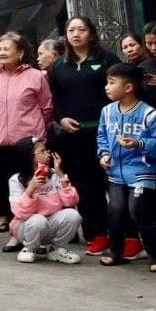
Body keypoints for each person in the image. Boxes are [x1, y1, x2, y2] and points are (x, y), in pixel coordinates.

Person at [47, 16, 120, 257]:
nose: (76, 34)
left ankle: (125, 235)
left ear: (91, 33)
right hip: (74, 136)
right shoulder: (59, 66)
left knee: (113, 185)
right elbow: (55, 100)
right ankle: (96, 234)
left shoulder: (107, 60)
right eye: (71, 30)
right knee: (85, 188)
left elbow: (121, 92)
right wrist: (61, 119)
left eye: (81, 29)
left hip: (106, 134)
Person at [0, 31, 52, 249]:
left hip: (26, 143)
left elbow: (46, 108)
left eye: (6, 49)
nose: (1, 53)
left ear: (20, 53)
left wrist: (38, 138)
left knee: (28, 187)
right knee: (5, 188)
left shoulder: (35, 76)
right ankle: (15, 233)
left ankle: (37, 233)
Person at [96, 63, 156, 270]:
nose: (106, 87)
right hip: (115, 172)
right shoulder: (107, 112)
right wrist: (104, 155)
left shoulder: (149, 114)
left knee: (138, 210)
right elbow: (102, 137)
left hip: (142, 172)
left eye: (111, 82)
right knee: (115, 211)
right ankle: (115, 251)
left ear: (129, 87)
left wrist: (138, 143)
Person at [9, 137, 82, 265]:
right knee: (38, 220)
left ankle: (56, 249)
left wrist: (60, 174)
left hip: (50, 224)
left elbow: (71, 201)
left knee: (73, 215)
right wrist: (30, 189)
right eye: (42, 151)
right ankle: (29, 248)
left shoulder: (53, 174)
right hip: (26, 227)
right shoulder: (17, 180)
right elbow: (20, 213)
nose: (48, 154)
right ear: (30, 156)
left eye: (47, 150)